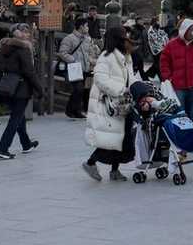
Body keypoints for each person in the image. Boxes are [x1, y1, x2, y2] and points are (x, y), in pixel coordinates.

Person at [82, 25, 135, 182]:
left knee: (122, 138)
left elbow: (130, 78)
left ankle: (115, 170)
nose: (127, 41)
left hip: (123, 103)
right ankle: (91, 163)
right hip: (110, 104)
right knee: (111, 140)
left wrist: (136, 88)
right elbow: (100, 79)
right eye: (124, 38)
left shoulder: (125, 57)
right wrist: (121, 89)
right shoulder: (106, 57)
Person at [0, 26, 42, 161]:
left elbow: (0, 66)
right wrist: (39, 89)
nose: (28, 35)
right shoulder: (23, 49)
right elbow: (29, 72)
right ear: (19, 34)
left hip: (8, 86)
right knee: (15, 118)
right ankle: (3, 148)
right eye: (25, 32)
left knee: (19, 116)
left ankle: (26, 144)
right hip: (21, 88)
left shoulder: (5, 47)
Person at [159, 18, 193, 122]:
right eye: (191, 29)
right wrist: (168, 78)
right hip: (177, 86)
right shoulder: (172, 45)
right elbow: (164, 62)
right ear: (184, 30)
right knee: (179, 113)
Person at [58, 16, 93, 119]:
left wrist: (90, 61)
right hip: (74, 68)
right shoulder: (69, 38)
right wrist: (74, 60)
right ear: (81, 27)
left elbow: (89, 53)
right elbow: (62, 53)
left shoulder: (87, 39)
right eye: (86, 26)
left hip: (85, 68)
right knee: (78, 89)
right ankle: (72, 110)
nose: (88, 28)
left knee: (80, 90)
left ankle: (73, 111)